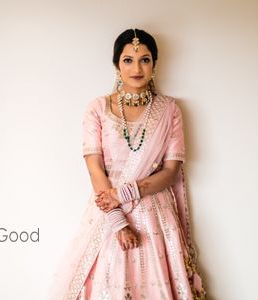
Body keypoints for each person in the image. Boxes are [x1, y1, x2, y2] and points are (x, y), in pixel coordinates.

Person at [48, 28, 207, 300]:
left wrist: (124, 194)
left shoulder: (169, 110)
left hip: (154, 214)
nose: (136, 68)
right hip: (108, 213)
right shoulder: (98, 108)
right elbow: (94, 168)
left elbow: (170, 172)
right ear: (116, 64)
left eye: (145, 59)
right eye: (128, 60)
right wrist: (118, 221)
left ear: (154, 64)